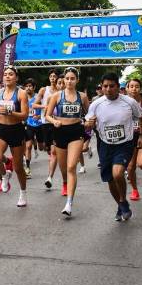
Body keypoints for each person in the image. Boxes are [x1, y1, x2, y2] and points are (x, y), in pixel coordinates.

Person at [84, 72, 142, 222]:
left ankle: (122, 200)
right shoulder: (96, 104)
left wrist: (141, 136)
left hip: (124, 144)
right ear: (102, 87)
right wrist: (88, 125)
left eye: (112, 86)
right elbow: (87, 124)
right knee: (110, 179)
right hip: (105, 144)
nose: (108, 89)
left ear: (118, 87)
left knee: (117, 174)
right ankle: (120, 205)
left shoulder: (129, 102)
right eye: (105, 86)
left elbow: (141, 117)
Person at [45, 67, 89, 217]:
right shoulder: (57, 96)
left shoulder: (82, 97)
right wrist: (54, 121)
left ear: (77, 80)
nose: (69, 81)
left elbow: (89, 115)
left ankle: (69, 203)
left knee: (71, 167)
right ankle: (65, 182)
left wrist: (88, 124)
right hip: (60, 132)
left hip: (76, 132)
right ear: (64, 80)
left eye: (72, 78)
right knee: (64, 168)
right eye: (67, 78)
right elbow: (47, 116)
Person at [0, 67, 30, 207]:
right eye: (5, 74)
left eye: (11, 74)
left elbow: (25, 115)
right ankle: (5, 176)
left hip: (16, 130)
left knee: (18, 168)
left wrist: (11, 113)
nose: (7, 77)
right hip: (1, 129)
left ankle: (23, 193)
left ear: (16, 77)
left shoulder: (21, 94)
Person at [35, 69, 59, 188]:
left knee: (54, 151)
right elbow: (34, 104)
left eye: (55, 76)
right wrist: (47, 106)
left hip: (57, 123)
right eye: (51, 76)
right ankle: (53, 156)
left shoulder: (61, 91)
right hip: (45, 121)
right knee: (47, 148)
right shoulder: (44, 90)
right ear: (49, 78)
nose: (53, 78)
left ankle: (50, 176)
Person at [23, 78, 43, 178]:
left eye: (30, 86)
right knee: (28, 146)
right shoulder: (23, 98)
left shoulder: (38, 98)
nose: (28, 88)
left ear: (34, 87)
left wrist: (39, 116)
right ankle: (27, 168)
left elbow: (46, 109)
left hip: (39, 125)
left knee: (41, 147)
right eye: (26, 86)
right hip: (28, 125)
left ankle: (38, 144)